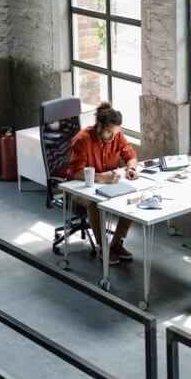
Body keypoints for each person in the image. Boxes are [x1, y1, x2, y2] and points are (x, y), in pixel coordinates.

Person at [65, 101, 139, 265]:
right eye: (108, 132)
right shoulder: (82, 140)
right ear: (99, 126)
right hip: (79, 189)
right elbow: (75, 172)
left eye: (115, 132)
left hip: (107, 186)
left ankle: (117, 242)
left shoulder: (116, 136)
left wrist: (131, 169)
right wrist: (101, 177)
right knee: (94, 203)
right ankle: (102, 246)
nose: (112, 136)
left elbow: (131, 156)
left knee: (134, 197)